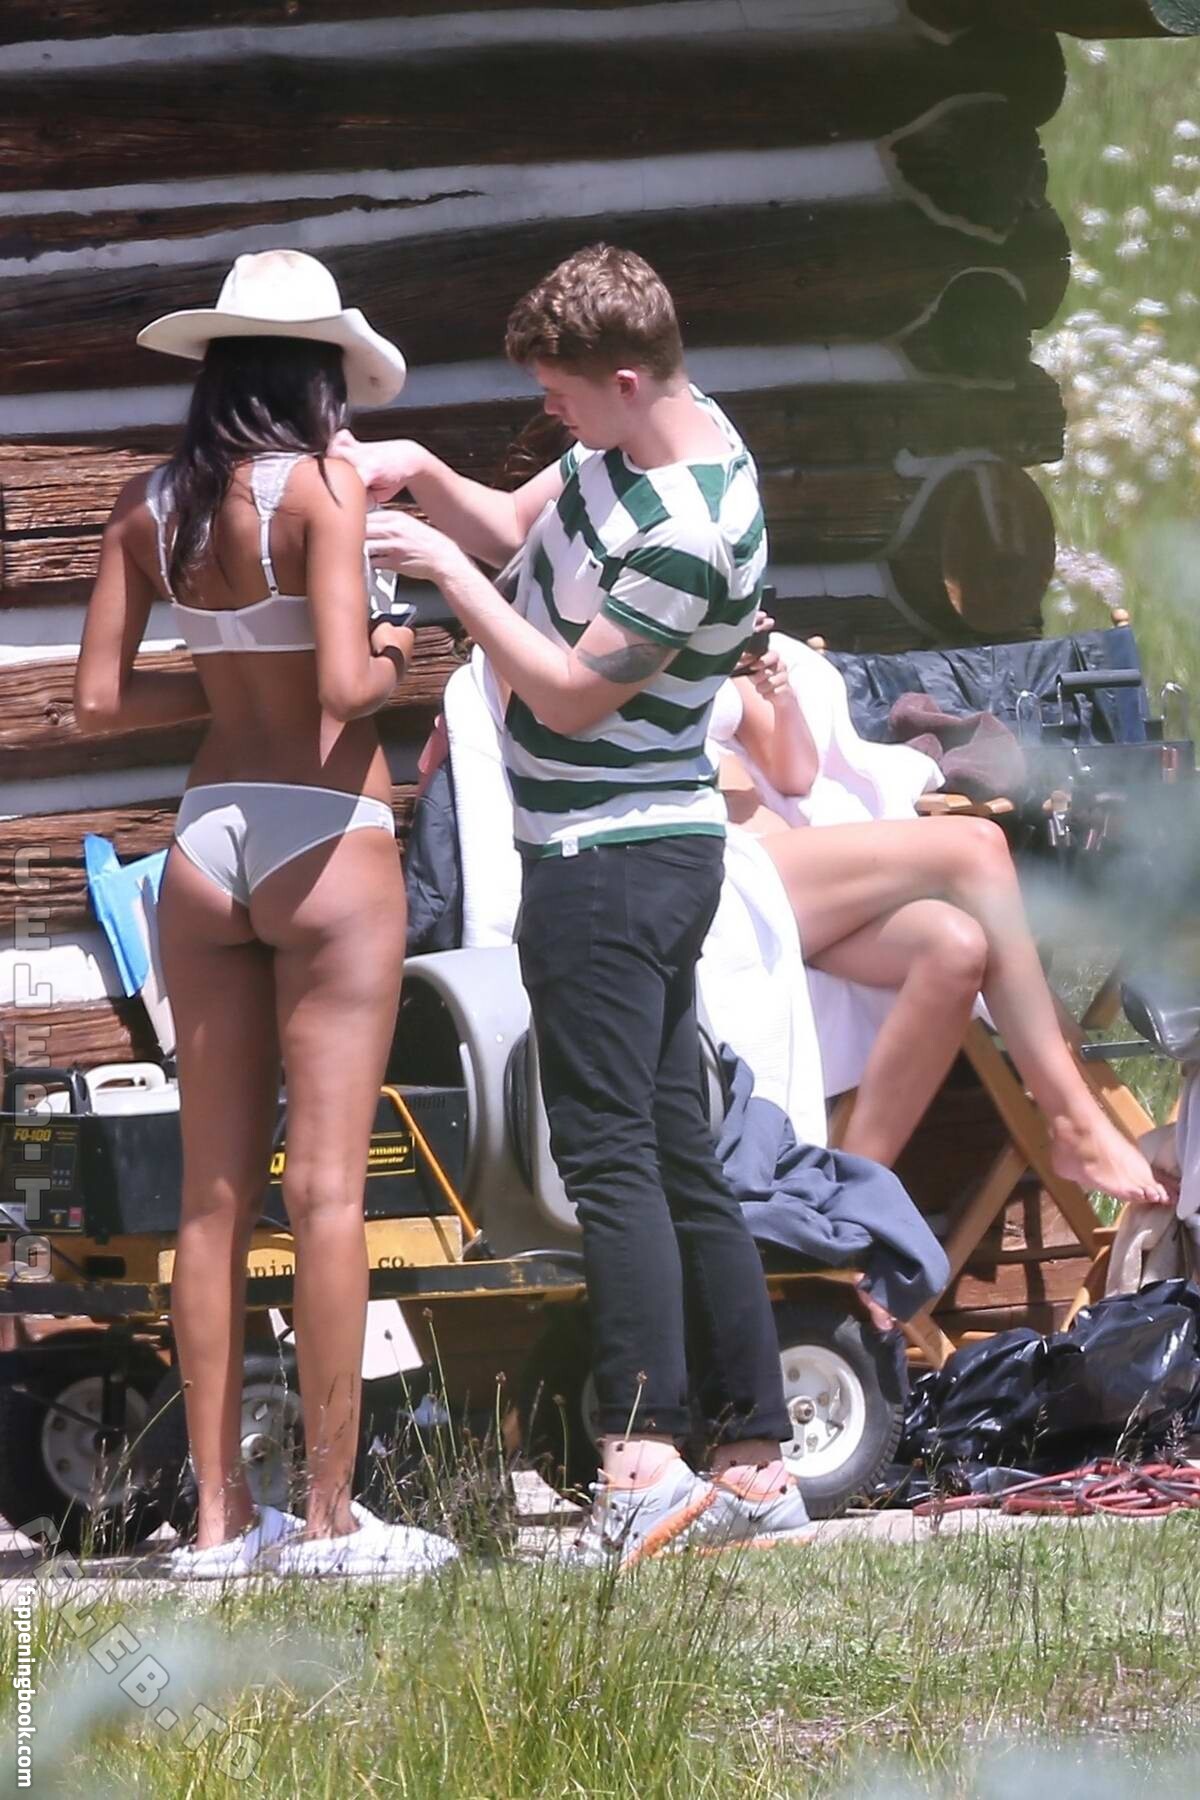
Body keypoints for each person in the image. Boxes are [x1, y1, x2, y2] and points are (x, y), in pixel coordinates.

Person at [336, 244, 810, 1563]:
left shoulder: (688, 533)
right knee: (675, 1153)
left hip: (611, 865)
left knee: (609, 1159)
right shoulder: (637, 440)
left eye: (560, 392)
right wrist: (425, 478)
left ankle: (642, 1460)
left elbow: (565, 691)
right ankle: (754, 1462)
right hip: (631, 858)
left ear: (625, 378)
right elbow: (517, 525)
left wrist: (444, 572)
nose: (546, 413)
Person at [75, 250, 459, 1579]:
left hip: (207, 839)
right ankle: (335, 1517)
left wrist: (229, 681)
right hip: (325, 831)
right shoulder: (327, 490)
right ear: (315, 376)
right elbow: (348, 685)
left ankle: (219, 1522)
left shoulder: (150, 504)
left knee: (213, 1198)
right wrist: (401, 649)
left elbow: (99, 702)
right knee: (330, 1192)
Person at [709, 634, 1170, 1205]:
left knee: (955, 945)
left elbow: (794, 775)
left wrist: (777, 694)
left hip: (790, 888)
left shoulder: (699, 629)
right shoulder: (626, 630)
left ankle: (841, 1200)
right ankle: (1074, 1120)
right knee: (975, 847)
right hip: (715, 877)